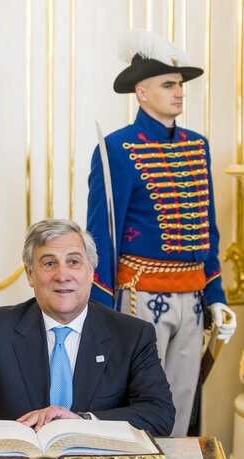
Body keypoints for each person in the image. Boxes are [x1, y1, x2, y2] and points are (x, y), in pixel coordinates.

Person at [87, 29, 237, 436]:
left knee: (183, 402)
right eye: (168, 84)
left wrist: (217, 296)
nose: (179, 92)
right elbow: (100, 235)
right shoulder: (117, 149)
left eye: (180, 85)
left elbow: (208, 229)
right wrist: (99, 310)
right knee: (136, 405)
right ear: (142, 93)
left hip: (192, 299)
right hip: (138, 297)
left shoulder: (197, 146)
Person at [0, 218, 175, 436]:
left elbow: (159, 413)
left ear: (91, 272)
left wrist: (84, 422)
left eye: (74, 262)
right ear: (30, 275)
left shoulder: (132, 334)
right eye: (49, 263)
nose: (62, 275)